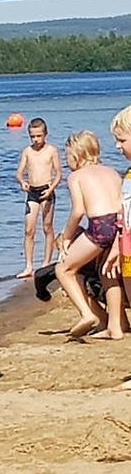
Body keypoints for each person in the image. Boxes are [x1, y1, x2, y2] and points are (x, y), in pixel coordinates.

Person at [54, 131, 124, 340]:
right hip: (119, 224)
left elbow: (78, 211)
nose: (67, 162)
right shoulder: (112, 171)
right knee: (107, 272)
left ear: (76, 155)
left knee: (64, 269)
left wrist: (67, 237)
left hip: (100, 225)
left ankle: (87, 314)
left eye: (67, 157)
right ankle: (115, 327)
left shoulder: (76, 176)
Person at [14, 117, 62, 278]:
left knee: (47, 226)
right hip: (32, 192)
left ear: (45, 134)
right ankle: (28, 265)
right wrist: (22, 181)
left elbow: (58, 174)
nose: (36, 139)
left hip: (47, 190)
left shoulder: (51, 150)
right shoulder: (27, 151)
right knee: (29, 229)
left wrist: (51, 189)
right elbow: (20, 171)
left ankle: (46, 262)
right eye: (33, 136)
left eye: (39, 136)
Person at [104, 105, 131, 320]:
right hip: (127, 248)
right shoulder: (128, 175)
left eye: (122, 140)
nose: (117, 146)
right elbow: (123, 218)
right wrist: (116, 248)